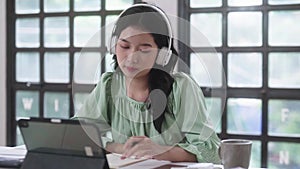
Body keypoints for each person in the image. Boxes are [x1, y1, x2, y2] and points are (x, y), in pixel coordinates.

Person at [74, 3, 221, 163]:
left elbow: (211, 150)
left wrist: (162, 151)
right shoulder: (109, 85)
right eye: (124, 46)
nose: (131, 57)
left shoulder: (181, 87)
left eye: (144, 49)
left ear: (162, 55)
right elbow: (75, 134)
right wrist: (119, 148)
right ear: (113, 46)